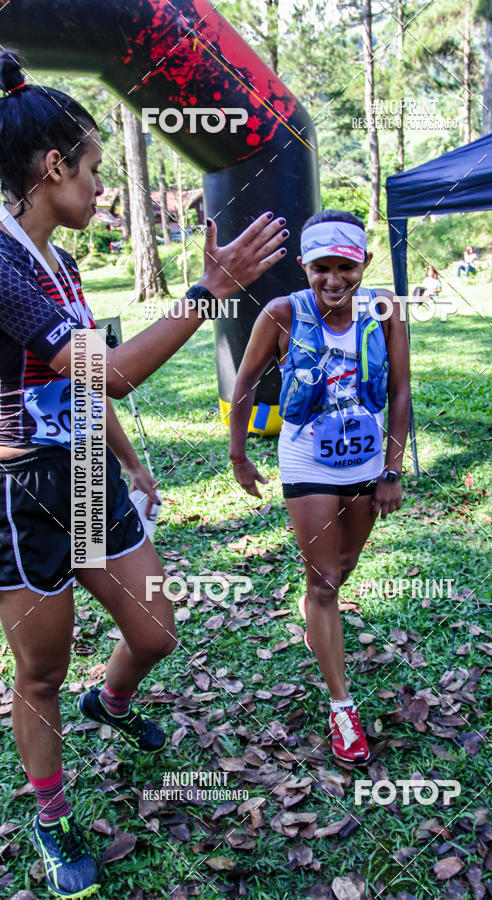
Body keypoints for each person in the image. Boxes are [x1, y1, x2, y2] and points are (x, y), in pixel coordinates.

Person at [0, 50, 287, 899]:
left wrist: (130, 461)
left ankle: (112, 704)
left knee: (156, 632)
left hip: (86, 474)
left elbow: (85, 379)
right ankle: (53, 820)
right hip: (22, 498)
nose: (102, 189)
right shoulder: (3, 264)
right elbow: (115, 370)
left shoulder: (59, 261)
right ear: (53, 169)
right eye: (93, 171)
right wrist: (209, 292)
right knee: (42, 672)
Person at [229, 210, 411, 765]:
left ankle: (316, 617)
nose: (334, 281)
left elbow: (401, 392)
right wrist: (238, 455)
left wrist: (392, 469)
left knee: (344, 564)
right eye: (321, 269)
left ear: (365, 263)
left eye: (346, 268)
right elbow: (244, 386)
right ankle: (342, 709)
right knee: (327, 581)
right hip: (307, 457)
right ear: (304, 266)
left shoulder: (386, 310)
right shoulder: (282, 314)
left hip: (364, 461)